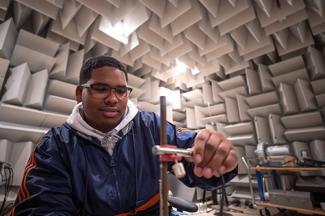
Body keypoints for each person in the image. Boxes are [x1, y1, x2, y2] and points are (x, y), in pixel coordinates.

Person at [10, 56, 238, 215]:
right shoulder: (55, 146)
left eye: (121, 91)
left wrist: (216, 158)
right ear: (80, 93)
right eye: (101, 88)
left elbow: (192, 150)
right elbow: (43, 208)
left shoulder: (151, 126)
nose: (113, 98)